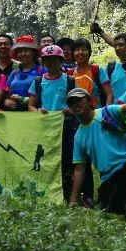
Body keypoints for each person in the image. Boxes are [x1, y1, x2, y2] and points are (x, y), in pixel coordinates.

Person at [68, 87, 126, 216]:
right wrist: (73, 200)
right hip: (109, 178)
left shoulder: (107, 112)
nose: (75, 104)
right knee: (110, 210)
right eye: (71, 103)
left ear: (91, 102)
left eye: (78, 100)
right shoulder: (78, 136)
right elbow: (79, 169)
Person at [29, 45, 89, 203]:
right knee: (48, 160)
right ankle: (50, 191)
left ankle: (75, 194)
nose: (51, 64)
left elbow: (79, 102)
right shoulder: (38, 81)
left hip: (68, 126)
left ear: (61, 60)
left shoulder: (70, 80)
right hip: (46, 127)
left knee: (70, 159)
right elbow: (31, 104)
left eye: (54, 60)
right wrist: (38, 111)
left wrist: (72, 110)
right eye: (47, 60)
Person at [87, 23, 126, 103]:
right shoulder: (111, 68)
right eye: (115, 46)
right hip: (116, 112)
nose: (117, 48)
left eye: (121, 45)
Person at [69, 37, 113, 107]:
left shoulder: (97, 70)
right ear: (73, 54)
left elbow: (109, 94)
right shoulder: (69, 74)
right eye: (77, 50)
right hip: (76, 116)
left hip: (97, 114)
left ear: (89, 52)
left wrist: (106, 112)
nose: (80, 52)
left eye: (84, 49)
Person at [4, 36, 44, 111]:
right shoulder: (14, 73)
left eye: (26, 50)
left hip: (35, 114)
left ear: (34, 52)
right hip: (15, 115)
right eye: (19, 51)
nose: (23, 54)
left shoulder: (42, 72)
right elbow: (6, 96)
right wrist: (8, 102)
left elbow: (47, 97)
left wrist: (23, 99)